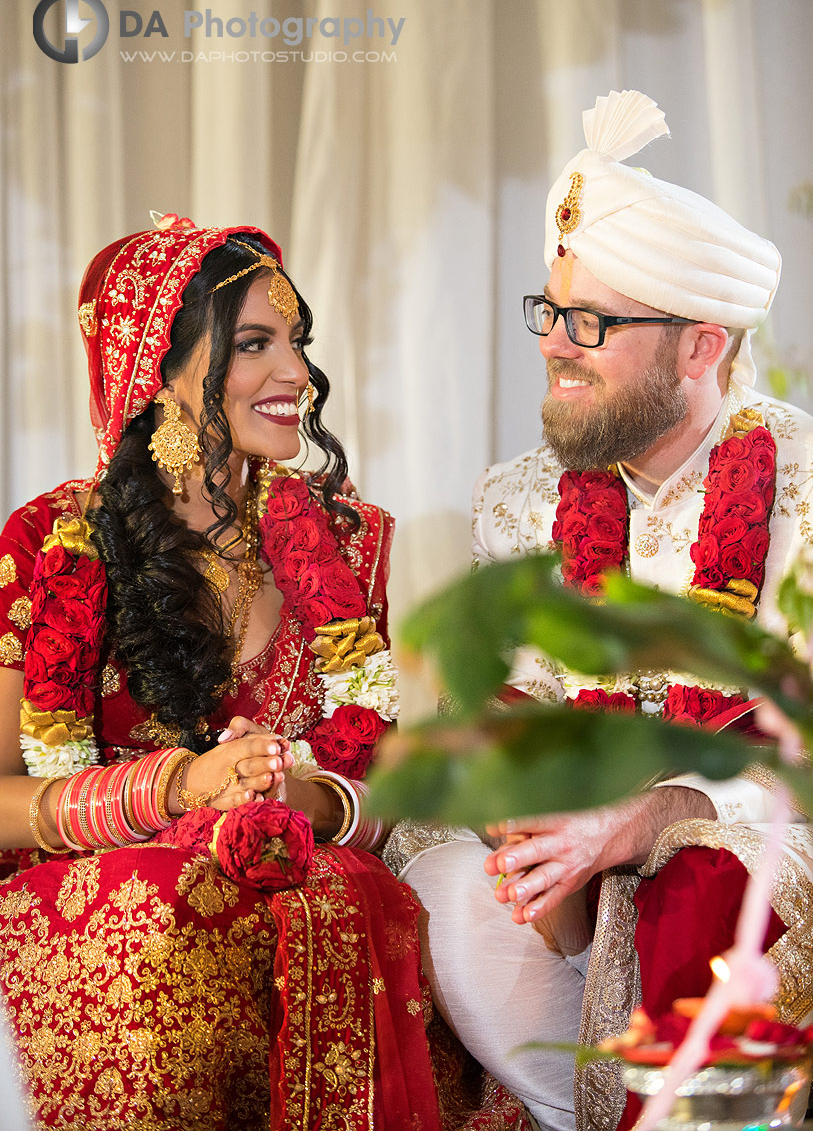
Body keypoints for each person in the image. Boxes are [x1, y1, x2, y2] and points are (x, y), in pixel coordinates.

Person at [387, 91, 813, 1131]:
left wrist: (645, 814)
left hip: (760, 834)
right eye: (551, 311)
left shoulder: (802, 490)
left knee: (705, 867)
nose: (555, 347)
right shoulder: (518, 497)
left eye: (593, 324)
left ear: (701, 348)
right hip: (574, 890)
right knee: (446, 874)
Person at [0, 218, 445, 1130]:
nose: (296, 374)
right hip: (103, 900)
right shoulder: (49, 544)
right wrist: (176, 788)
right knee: (167, 907)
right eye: (253, 345)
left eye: (295, 343)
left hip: (293, 874)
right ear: (153, 371)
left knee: (337, 898)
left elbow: (383, 767)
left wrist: (306, 800)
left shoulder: (348, 543)